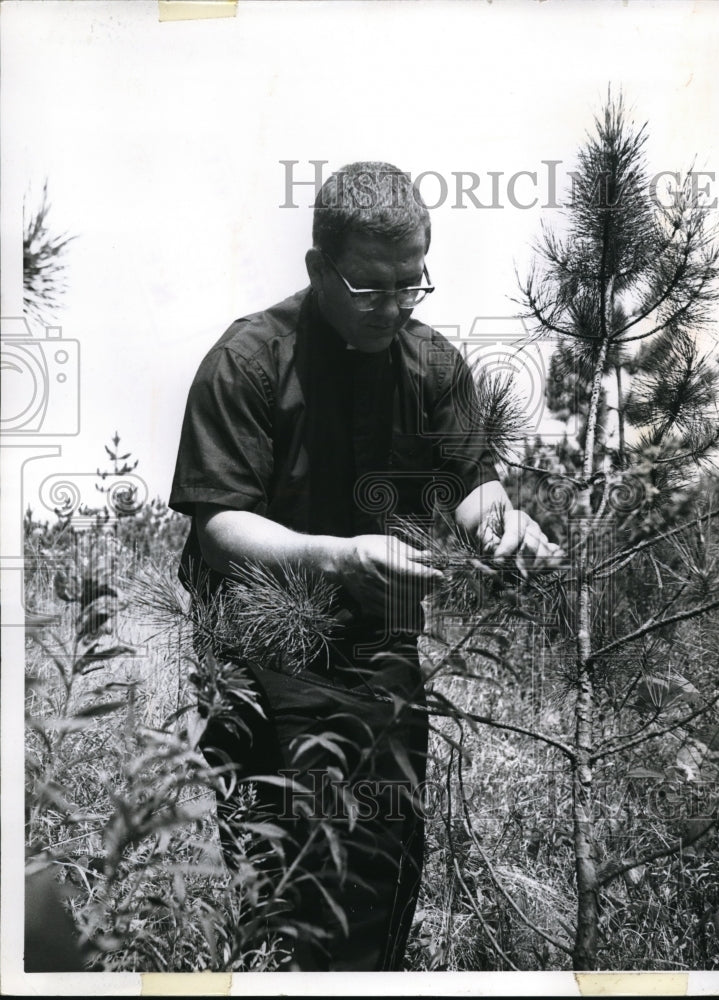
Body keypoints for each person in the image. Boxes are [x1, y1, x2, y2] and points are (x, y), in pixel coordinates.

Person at [169, 162, 560, 971]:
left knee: (380, 868)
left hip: (377, 656)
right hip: (252, 657)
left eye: (409, 286)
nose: (391, 307)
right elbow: (218, 526)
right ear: (318, 268)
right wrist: (336, 558)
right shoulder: (247, 361)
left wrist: (507, 526)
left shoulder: (433, 367)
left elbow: (469, 487)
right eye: (368, 287)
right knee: (277, 874)